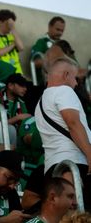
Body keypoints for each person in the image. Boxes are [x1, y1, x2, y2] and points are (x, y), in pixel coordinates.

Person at [34, 56, 91, 209]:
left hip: (53, 169)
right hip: (73, 165)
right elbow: (73, 123)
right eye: (75, 78)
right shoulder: (64, 91)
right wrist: (90, 155)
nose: (76, 83)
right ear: (66, 75)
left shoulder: (40, 103)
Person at [0, 73, 32, 148]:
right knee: (11, 129)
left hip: (17, 136)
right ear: (10, 86)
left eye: (25, 86)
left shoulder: (21, 102)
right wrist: (18, 118)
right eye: (21, 85)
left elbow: (26, 121)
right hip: (0, 135)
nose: (25, 89)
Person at [0, 9, 24, 74]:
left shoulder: (13, 36)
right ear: (0, 23)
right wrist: (13, 44)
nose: (10, 26)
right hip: (3, 73)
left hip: (17, 72)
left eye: (12, 24)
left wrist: (13, 29)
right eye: (8, 23)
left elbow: (21, 48)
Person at [31, 17, 66, 87]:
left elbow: (75, 64)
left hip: (66, 81)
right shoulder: (42, 42)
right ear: (50, 27)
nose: (60, 33)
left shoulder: (64, 45)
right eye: (58, 29)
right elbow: (36, 62)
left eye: (62, 31)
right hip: (47, 82)